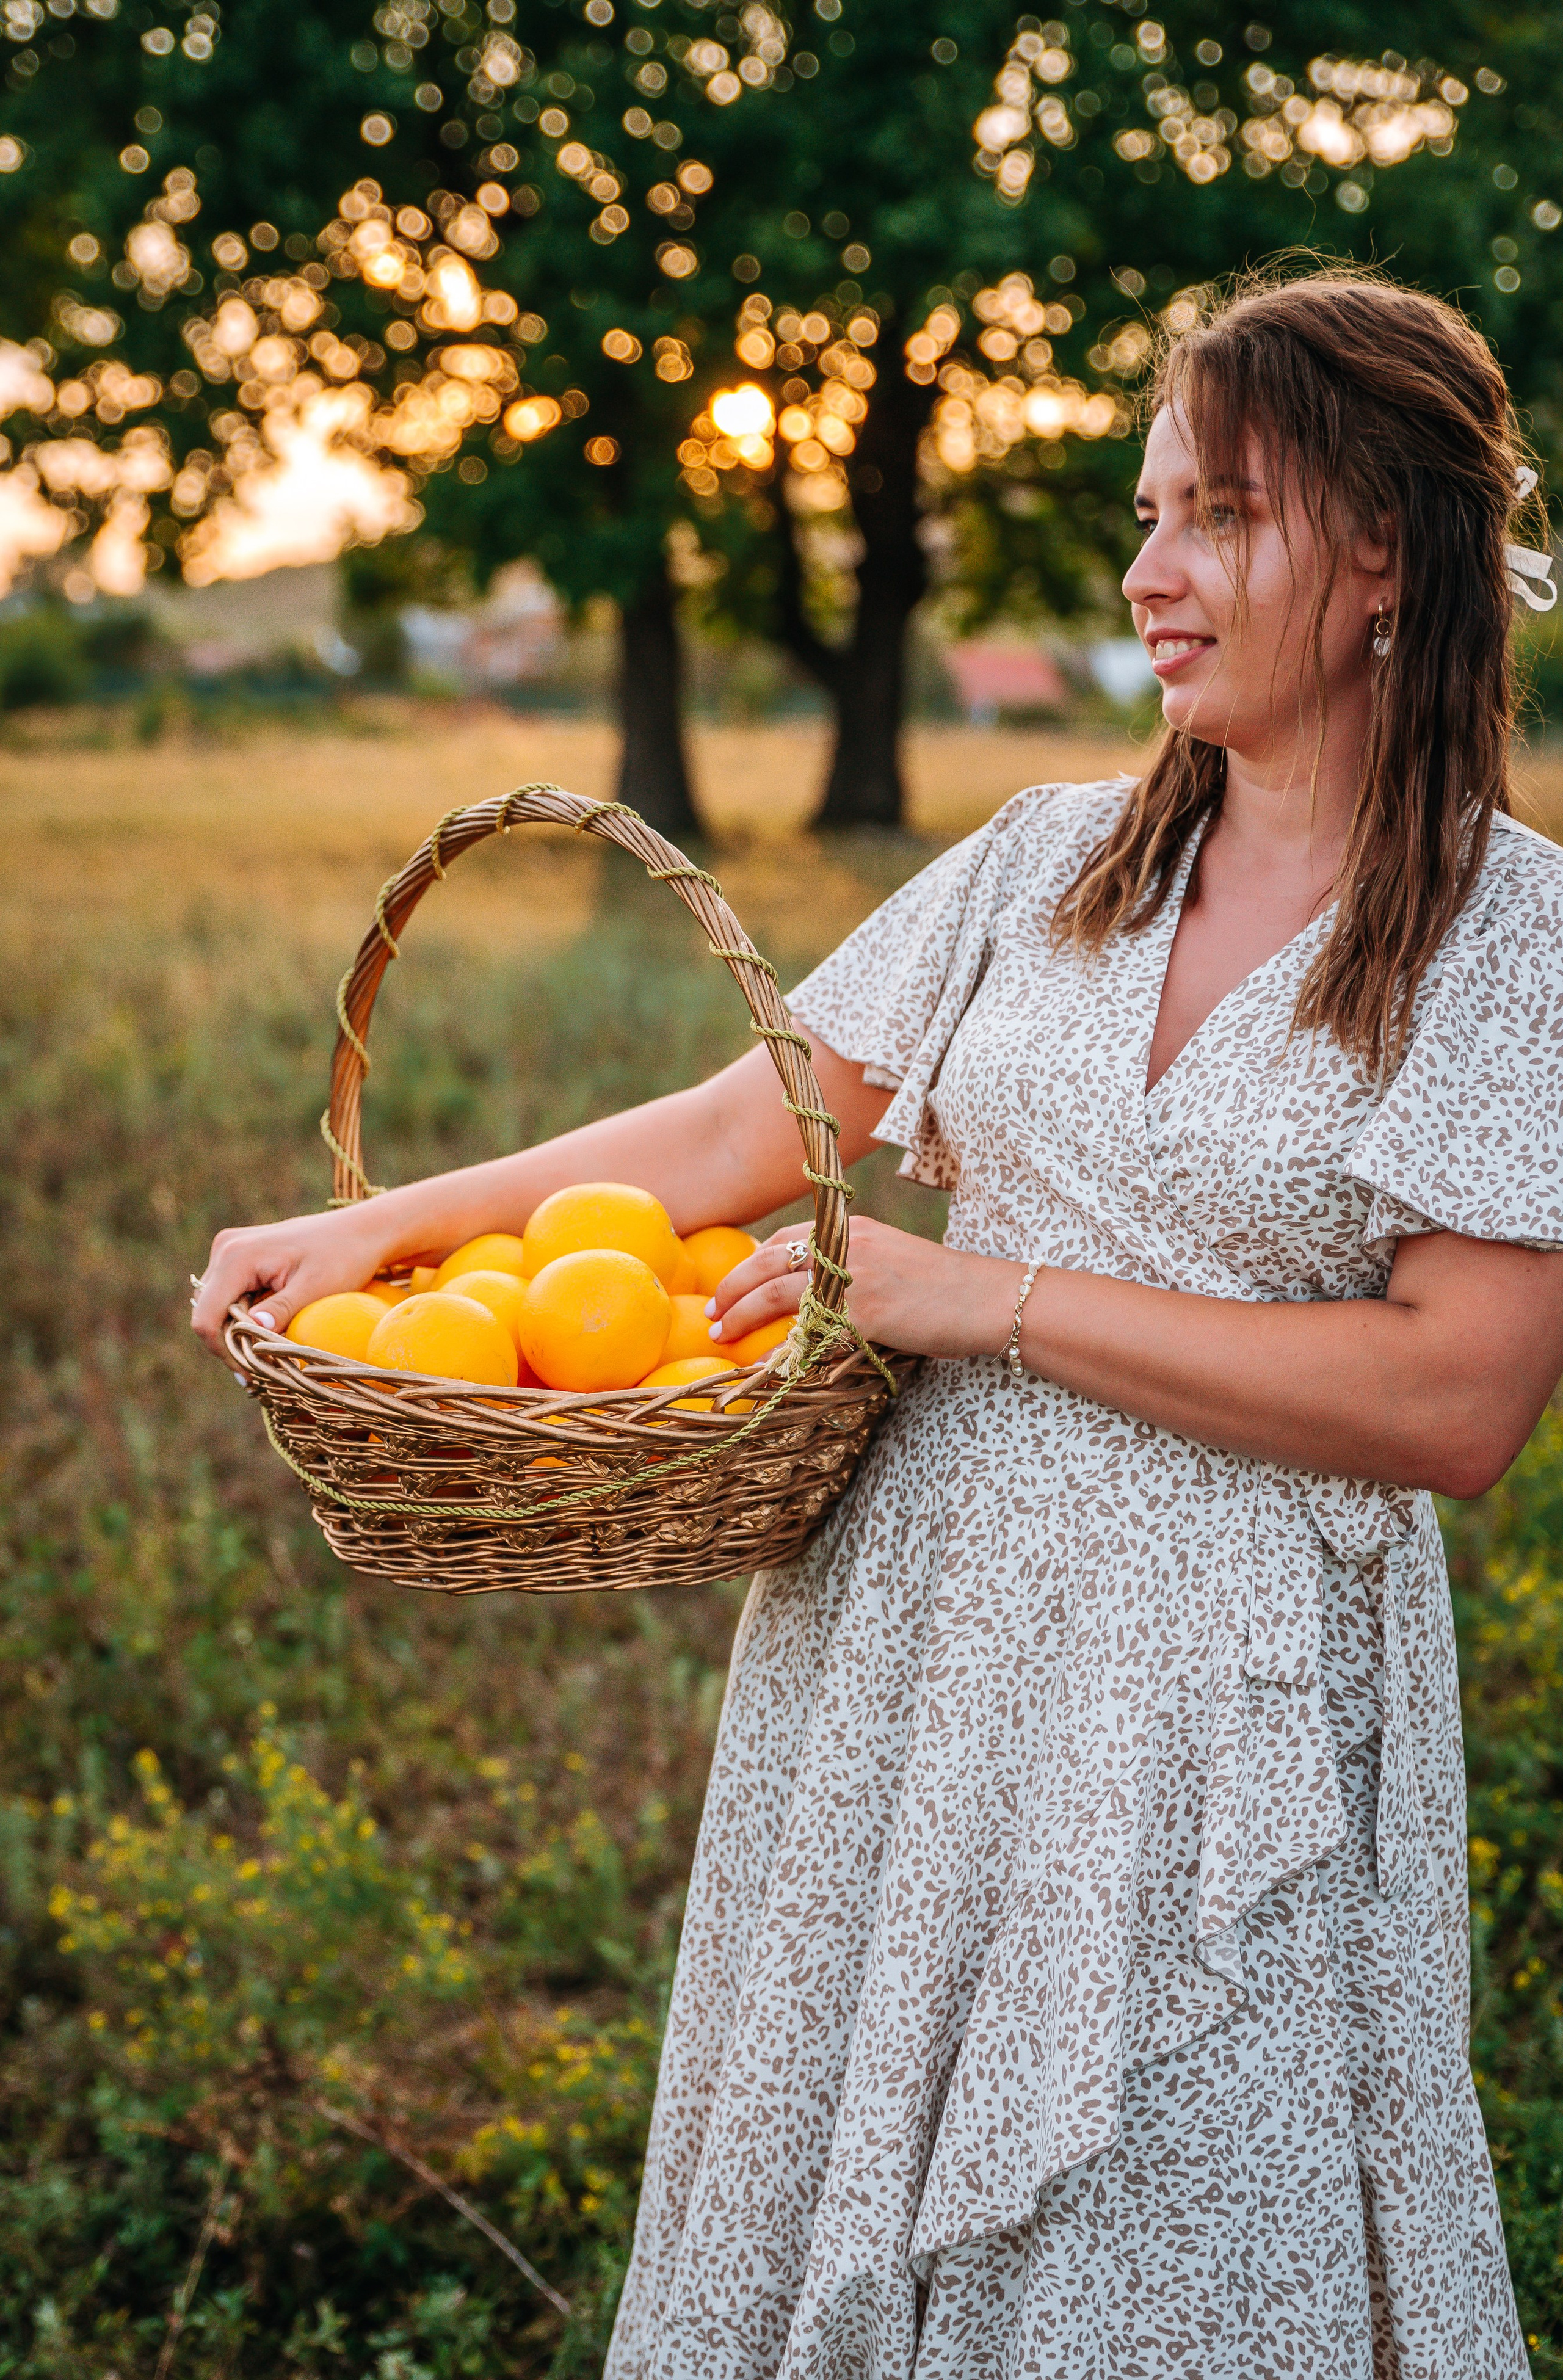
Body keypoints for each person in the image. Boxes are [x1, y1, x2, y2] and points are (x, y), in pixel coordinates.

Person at [194, 263, 1563, 2376]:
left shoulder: (1511, 938)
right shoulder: (1044, 865)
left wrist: (981, 1296)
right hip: (913, 1650)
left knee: (1158, 2253)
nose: (1150, 575)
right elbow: (738, 1130)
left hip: (1220, 1708)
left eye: (1219, 515)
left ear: (1386, 548)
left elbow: (1456, 1396)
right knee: (849, 2197)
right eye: (1145, 516)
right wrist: (366, 1232)